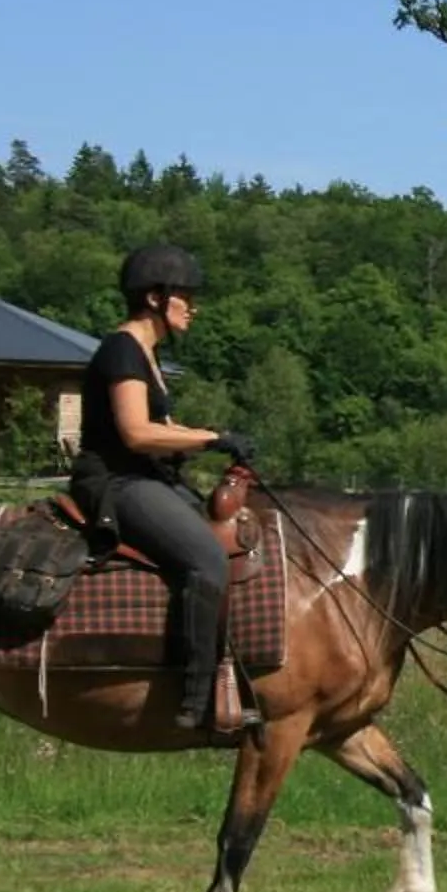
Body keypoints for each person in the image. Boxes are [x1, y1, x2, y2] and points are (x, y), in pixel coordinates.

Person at [80, 244, 258, 731]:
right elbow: (136, 433)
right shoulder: (121, 349)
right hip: (118, 481)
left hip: (146, 476)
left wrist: (211, 440)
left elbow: (165, 426)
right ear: (156, 298)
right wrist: (213, 439)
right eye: (185, 296)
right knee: (205, 557)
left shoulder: (146, 354)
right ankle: (195, 697)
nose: (193, 307)